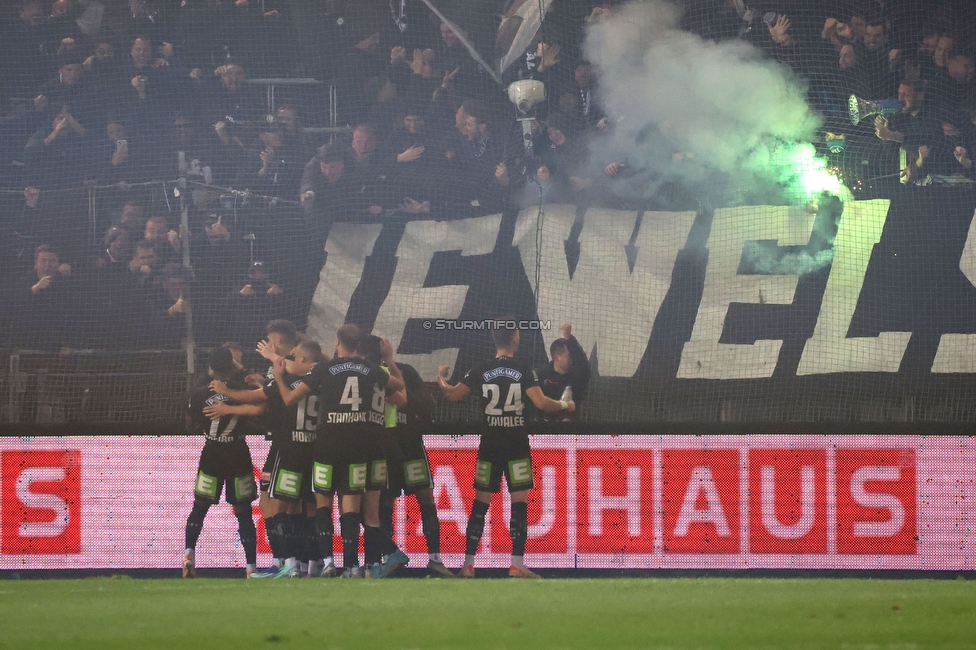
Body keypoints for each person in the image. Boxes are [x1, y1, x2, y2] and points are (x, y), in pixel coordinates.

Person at [436, 320, 575, 578]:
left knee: (480, 504)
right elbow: (542, 404)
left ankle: (467, 565)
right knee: (519, 504)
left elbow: (452, 395)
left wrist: (440, 379)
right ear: (514, 340)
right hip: (516, 445)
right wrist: (566, 406)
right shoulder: (524, 370)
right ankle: (516, 564)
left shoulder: (480, 369)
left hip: (489, 445)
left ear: (494, 339)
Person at [276, 324, 405, 578]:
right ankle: (358, 567)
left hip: (328, 442)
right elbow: (399, 386)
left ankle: (328, 562)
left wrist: (280, 377)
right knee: (354, 506)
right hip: (362, 443)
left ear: (337, 341)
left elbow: (290, 399)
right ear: (358, 345)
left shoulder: (324, 369)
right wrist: (389, 360)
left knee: (323, 501)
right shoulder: (372, 370)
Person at [207, 337, 329, 578]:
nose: (286, 360)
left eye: (290, 355)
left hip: (287, 449)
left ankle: (286, 562)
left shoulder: (286, 379)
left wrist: (227, 392)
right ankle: (310, 564)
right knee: (304, 507)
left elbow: (257, 400)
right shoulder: (324, 378)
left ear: (300, 359)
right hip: (315, 449)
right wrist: (265, 380)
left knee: (272, 505)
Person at [182, 347, 260, 579]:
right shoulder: (243, 391)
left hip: (212, 451)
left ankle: (188, 555)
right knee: (244, 512)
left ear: (211, 369)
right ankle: (251, 568)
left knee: (199, 507)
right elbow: (260, 413)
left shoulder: (197, 394)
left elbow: (189, 424)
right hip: (237, 452)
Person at [535, 323, 590, 422]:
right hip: (545, 428)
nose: (572, 359)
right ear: (557, 358)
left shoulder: (576, 375)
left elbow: (583, 363)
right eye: (569, 356)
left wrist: (570, 338)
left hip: (569, 430)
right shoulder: (541, 375)